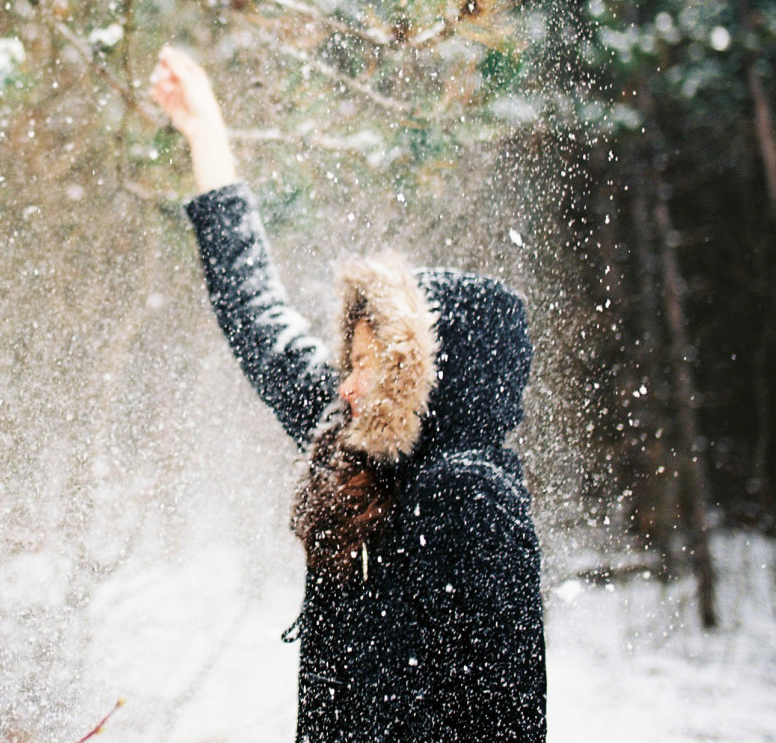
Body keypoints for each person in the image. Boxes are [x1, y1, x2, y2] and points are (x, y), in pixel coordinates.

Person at [150, 45, 546, 743]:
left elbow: (505, 722)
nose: (348, 382)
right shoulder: (357, 447)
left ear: (430, 379)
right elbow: (258, 317)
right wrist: (205, 133)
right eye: (350, 361)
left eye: (371, 365)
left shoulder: (472, 497)